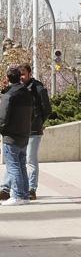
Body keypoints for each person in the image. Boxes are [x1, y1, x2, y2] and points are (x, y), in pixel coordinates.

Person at [0, 66, 35, 207]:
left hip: (11, 136)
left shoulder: (9, 95)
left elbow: (3, 117)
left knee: (13, 166)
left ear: (8, 78)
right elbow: (32, 115)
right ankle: (24, 195)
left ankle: (18, 195)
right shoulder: (27, 93)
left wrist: (2, 130)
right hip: (24, 135)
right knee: (21, 166)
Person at [18, 64, 50, 200]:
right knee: (17, 160)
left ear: (30, 73)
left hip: (33, 130)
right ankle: (8, 188)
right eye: (19, 74)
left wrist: (39, 121)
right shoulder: (18, 87)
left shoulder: (38, 87)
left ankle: (32, 189)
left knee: (31, 160)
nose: (21, 77)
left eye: (23, 74)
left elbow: (47, 108)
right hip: (20, 131)